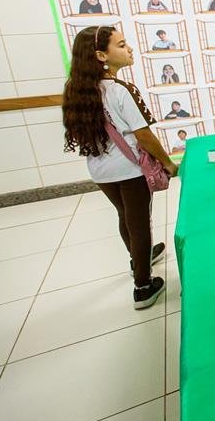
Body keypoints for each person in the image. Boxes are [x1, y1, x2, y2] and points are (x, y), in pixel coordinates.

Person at [62, 25, 174, 307]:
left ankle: (139, 258)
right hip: (129, 170)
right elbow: (143, 135)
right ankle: (143, 285)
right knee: (139, 223)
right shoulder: (119, 90)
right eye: (122, 45)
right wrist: (167, 162)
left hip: (101, 171)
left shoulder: (77, 90)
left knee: (125, 216)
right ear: (101, 55)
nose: (129, 49)